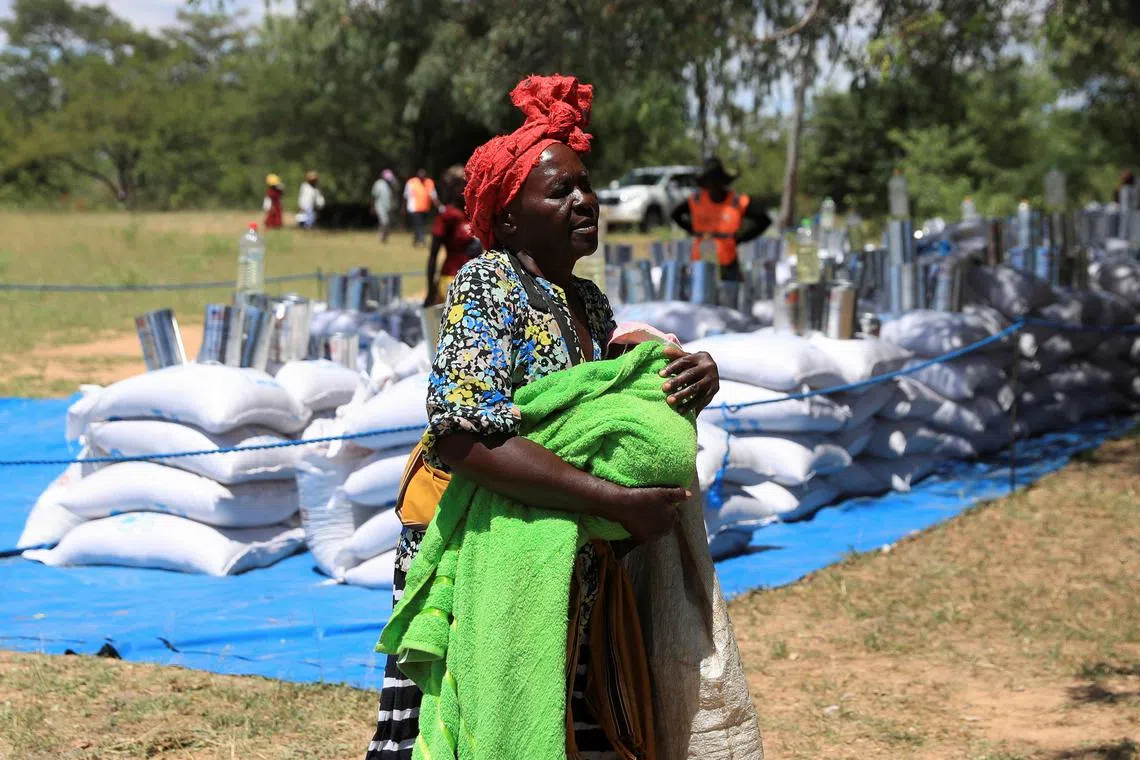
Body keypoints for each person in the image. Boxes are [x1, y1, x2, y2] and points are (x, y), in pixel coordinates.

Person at [365, 74, 722, 760]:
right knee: (477, 719)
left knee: (560, 719)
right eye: (560, 190)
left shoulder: (589, 304)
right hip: (486, 545)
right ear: (506, 217)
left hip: (562, 549)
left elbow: (608, 413)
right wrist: (612, 501)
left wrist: (685, 382)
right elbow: (464, 438)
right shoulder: (486, 283)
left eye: (586, 185)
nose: (585, 200)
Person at [671, 156, 771, 282]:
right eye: (709, 180)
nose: (713, 184)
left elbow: (764, 220)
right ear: (705, 182)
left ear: (723, 180)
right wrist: (692, 230)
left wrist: (741, 238)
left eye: (717, 179)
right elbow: (675, 215)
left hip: (728, 264)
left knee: (730, 296)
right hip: (701, 263)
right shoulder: (696, 200)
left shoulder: (737, 202)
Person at [423, 165, 481, 306]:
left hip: (475, 278)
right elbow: (433, 256)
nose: (470, 189)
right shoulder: (447, 216)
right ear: (455, 188)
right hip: (452, 277)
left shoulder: (473, 214)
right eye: (465, 185)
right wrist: (431, 290)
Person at [404, 168, 439, 246]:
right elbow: (406, 196)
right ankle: (421, 240)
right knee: (419, 224)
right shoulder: (411, 182)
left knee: (420, 224)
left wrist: (439, 206)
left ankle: (416, 240)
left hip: (425, 208)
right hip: (414, 208)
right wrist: (404, 207)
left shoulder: (429, 182)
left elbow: (434, 196)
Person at [371, 169, 397, 243]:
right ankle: (381, 236)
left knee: (387, 223)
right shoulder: (378, 184)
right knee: (384, 221)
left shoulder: (392, 184)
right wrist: (372, 207)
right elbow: (373, 196)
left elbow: (396, 191)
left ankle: (384, 237)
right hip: (380, 206)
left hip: (389, 207)